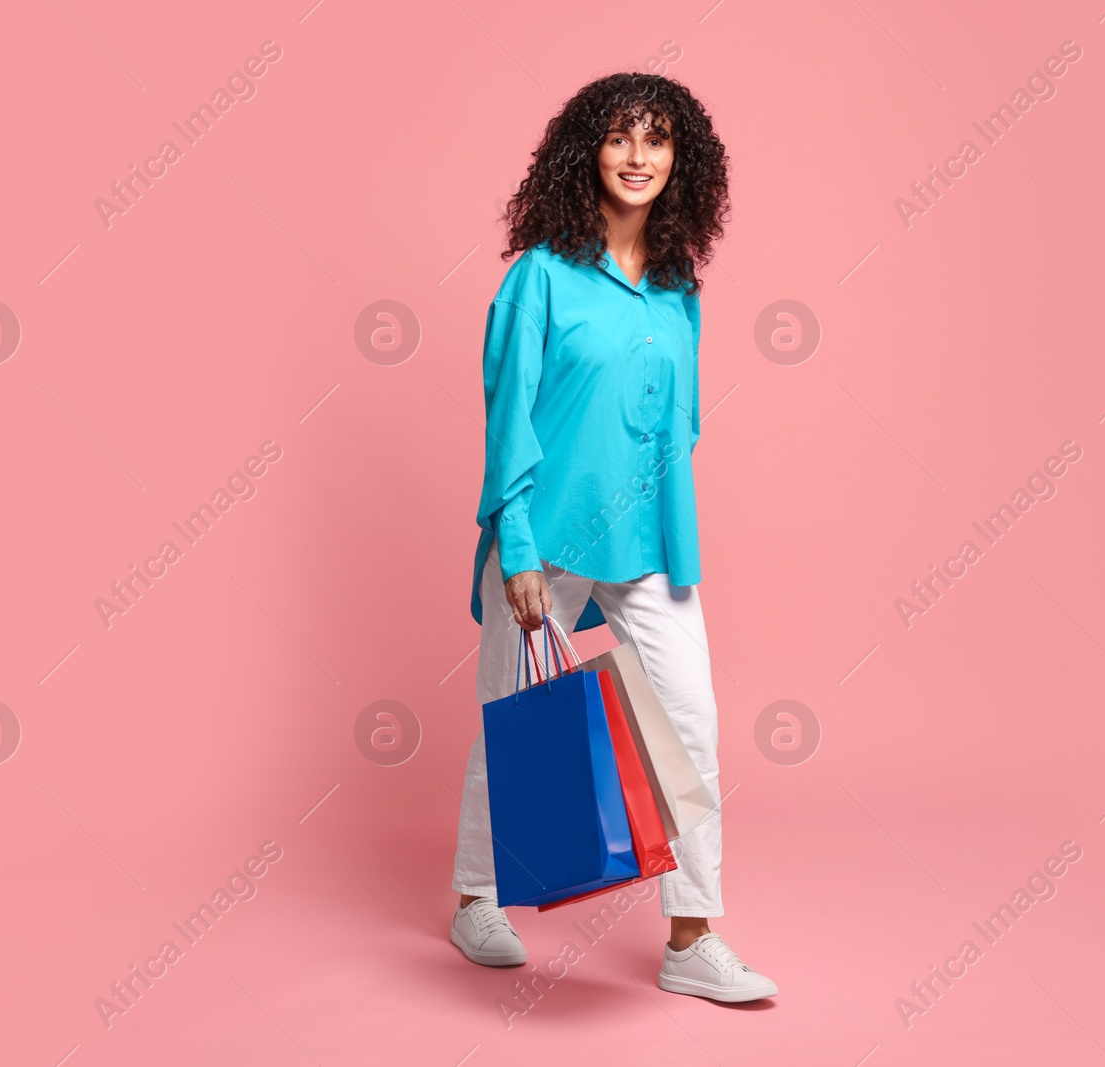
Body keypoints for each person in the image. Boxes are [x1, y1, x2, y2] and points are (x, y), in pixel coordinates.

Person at [448, 72, 777, 1003]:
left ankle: (691, 938)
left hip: (653, 541)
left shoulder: (679, 292)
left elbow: (686, 421)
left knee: (691, 728)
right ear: (586, 152)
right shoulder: (539, 278)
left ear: (683, 161)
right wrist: (515, 545)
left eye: (658, 141)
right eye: (621, 138)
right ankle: (478, 897)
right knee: (513, 726)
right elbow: (507, 417)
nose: (639, 158)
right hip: (544, 538)